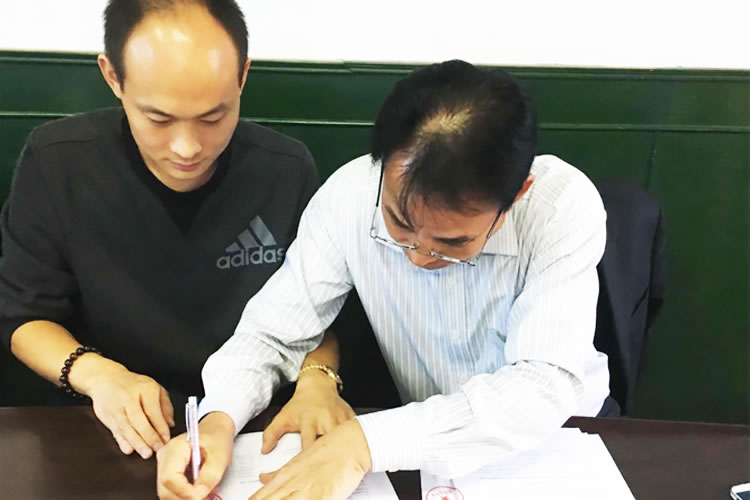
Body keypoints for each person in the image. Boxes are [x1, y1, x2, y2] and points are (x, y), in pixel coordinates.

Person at [156, 59, 613, 500]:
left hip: (555, 444)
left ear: (517, 195)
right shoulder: (349, 198)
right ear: (381, 164)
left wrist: (363, 443)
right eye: (399, 223)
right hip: (416, 450)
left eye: (452, 242)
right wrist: (218, 420)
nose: (419, 256)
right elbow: (272, 334)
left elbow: (543, 385)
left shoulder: (559, 207)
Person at [0, 0, 351, 463]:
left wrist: (318, 383)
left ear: (242, 77)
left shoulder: (285, 170)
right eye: (159, 119)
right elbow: (24, 318)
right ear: (113, 77)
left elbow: (317, 318)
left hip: (255, 425)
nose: (187, 148)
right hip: (106, 424)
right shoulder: (58, 163)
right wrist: (100, 377)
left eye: (213, 118)